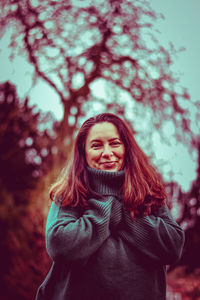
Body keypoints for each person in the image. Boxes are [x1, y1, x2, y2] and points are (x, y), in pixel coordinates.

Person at [36, 113, 185, 300]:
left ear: (127, 148)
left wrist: (122, 210)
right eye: (96, 145)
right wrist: (109, 209)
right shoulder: (70, 194)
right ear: (83, 153)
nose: (107, 152)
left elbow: (172, 247)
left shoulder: (148, 193)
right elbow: (60, 244)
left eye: (115, 143)